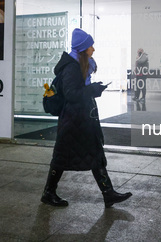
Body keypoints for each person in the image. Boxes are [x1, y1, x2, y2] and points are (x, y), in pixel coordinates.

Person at [41, 28, 132, 208]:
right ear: (83, 49)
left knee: (95, 155)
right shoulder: (71, 68)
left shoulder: (80, 65)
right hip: (73, 122)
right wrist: (92, 90)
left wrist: (94, 89)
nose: (93, 49)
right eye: (91, 46)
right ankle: (48, 192)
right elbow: (72, 94)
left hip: (82, 120)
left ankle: (108, 193)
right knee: (61, 158)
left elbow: (79, 92)